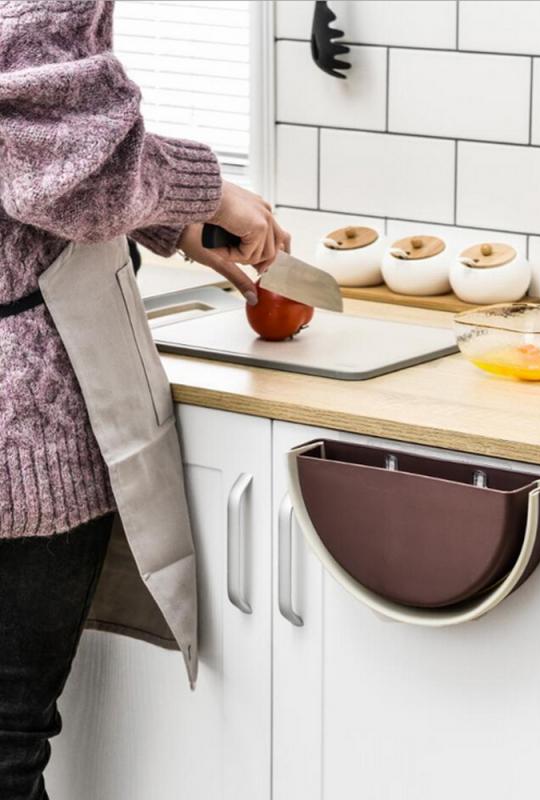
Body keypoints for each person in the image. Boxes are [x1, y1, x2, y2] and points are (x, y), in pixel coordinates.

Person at [0, 2, 289, 798]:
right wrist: (207, 191)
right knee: (5, 742)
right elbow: (71, 176)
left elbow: (25, 136)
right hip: (19, 435)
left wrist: (172, 220)